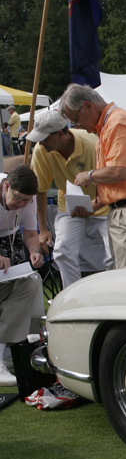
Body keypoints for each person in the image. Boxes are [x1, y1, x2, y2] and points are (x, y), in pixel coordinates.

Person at [59, 83, 126, 268]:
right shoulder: (109, 125)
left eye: (76, 119)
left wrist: (89, 175)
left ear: (88, 106)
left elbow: (119, 171)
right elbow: (120, 181)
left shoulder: (118, 123)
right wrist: (95, 205)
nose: (78, 126)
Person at [28, 109, 112, 288]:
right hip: (69, 205)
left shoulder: (92, 144)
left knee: (114, 255)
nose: (40, 143)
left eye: (44, 138)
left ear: (60, 133)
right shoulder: (41, 151)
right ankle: (73, 301)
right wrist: (43, 229)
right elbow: (40, 190)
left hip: (106, 204)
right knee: (62, 253)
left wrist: (94, 206)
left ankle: (114, 296)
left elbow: (113, 182)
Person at [0, 165, 45, 387]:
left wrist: (34, 251)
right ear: (6, 186)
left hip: (10, 237)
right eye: (18, 198)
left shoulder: (28, 199)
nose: (21, 205)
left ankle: (8, 349)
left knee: (27, 284)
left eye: (26, 201)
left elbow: (29, 233)